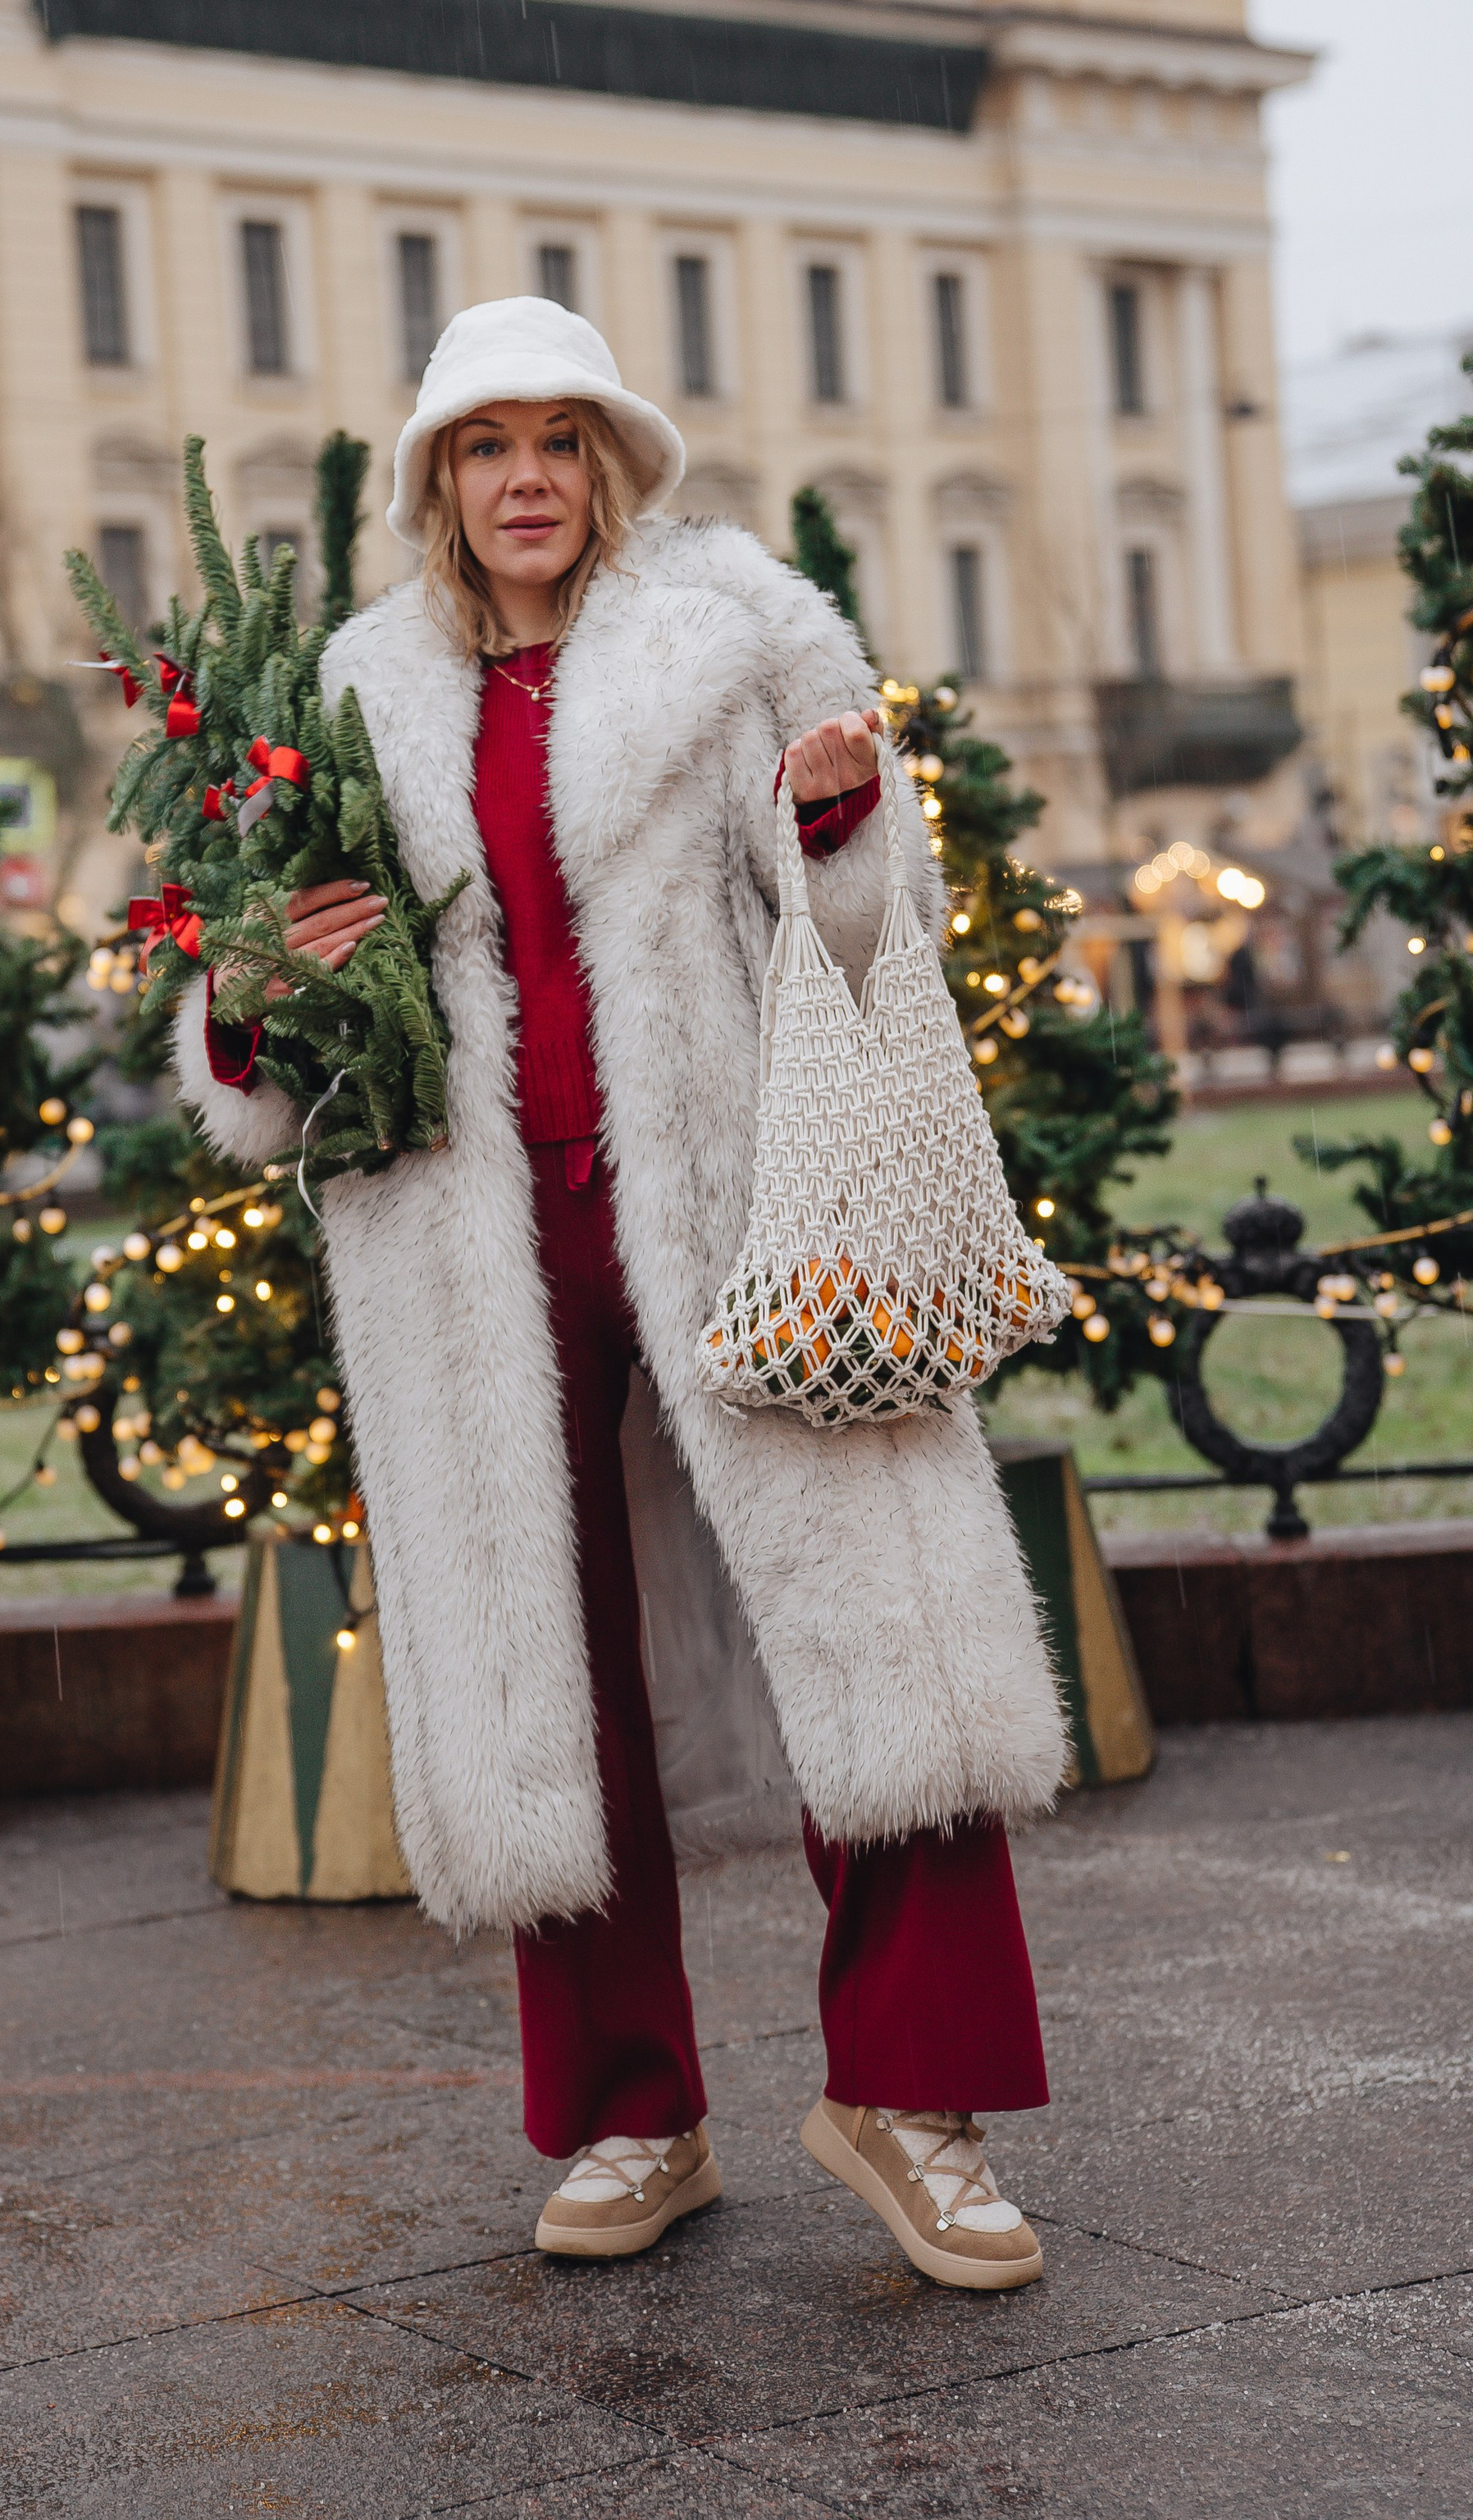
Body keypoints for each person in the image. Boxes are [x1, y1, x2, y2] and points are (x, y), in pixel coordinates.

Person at [182, 297, 1065, 2292]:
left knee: (882, 1639)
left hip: (757, 1212)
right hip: (468, 1249)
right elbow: (268, 1038)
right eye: (482, 447)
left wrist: (842, 821)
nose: (521, 482)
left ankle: (911, 2103)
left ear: (611, 465)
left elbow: (866, 927)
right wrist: (245, 1000)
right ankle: (630, 2113)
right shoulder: (351, 693)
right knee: (537, 1680)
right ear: (433, 479)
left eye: (556, 443)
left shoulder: (741, 633)